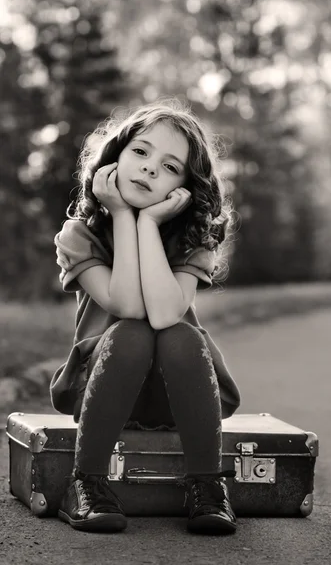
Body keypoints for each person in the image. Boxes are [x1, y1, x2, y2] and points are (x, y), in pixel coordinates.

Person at [51, 98, 241, 535]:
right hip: (102, 386)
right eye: (141, 152)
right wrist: (121, 213)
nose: (150, 168)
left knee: (181, 335)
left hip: (178, 395)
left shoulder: (194, 239)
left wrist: (149, 225)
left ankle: (208, 486)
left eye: (170, 166)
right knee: (132, 333)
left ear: (185, 189)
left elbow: (164, 311)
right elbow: (130, 308)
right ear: (114, 157)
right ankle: (87, 481)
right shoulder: (79, 236)